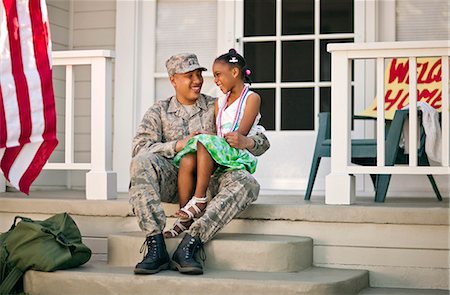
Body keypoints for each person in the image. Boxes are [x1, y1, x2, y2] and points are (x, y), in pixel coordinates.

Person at [129, 52, 270, 275]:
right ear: (173, 80)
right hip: (172, 180)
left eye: (199, 74)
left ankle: (191, 243)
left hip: (209, 183)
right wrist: (177, 144)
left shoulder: (219, 104)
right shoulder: (159, 111)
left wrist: (248, 141)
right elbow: (139, 148)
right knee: (141, 162)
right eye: (189, 76)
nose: (197, 81)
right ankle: (155, 247)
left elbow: (262, 142)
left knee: (247, 183)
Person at [164, 49, 263, 240]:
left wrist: (210, 141)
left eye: (218, 75)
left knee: (204, 142)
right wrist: (207, 137)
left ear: (234, 73)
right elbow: (218, 133)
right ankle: (185, 214)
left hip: (238, 154)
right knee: (187, 159)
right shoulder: (220, 102)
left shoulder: (251, 98)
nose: (215, 80)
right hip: (223, 152)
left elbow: (239, 135)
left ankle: (199, 199)